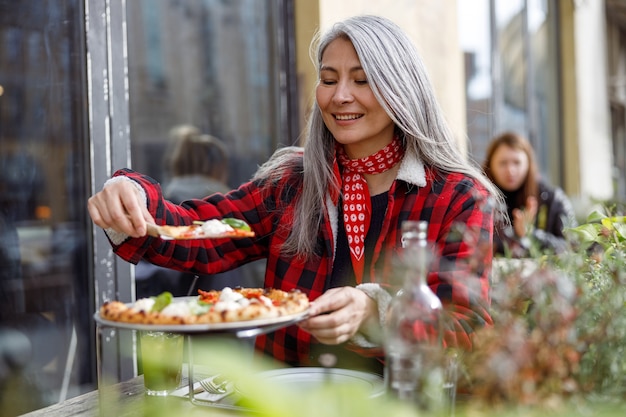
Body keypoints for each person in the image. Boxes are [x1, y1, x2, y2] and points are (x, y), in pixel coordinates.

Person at [88, 15, 500, 374]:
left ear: (400, 88)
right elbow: (200, 237)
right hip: (283, 400)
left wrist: (377, 312)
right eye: (328, 78)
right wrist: (132, 195)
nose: (340, 96)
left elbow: (467, 330)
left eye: (361, 79)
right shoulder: (292, 182)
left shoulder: (459, 197)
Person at [483, 131, 577, 257]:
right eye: (503, 163)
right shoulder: (481, 200)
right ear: (490, 165)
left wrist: (531, 235)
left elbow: (572, 246)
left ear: (528, 164)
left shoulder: (552, 199)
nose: (510, 170)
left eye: (517, 162)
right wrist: (512, 237)